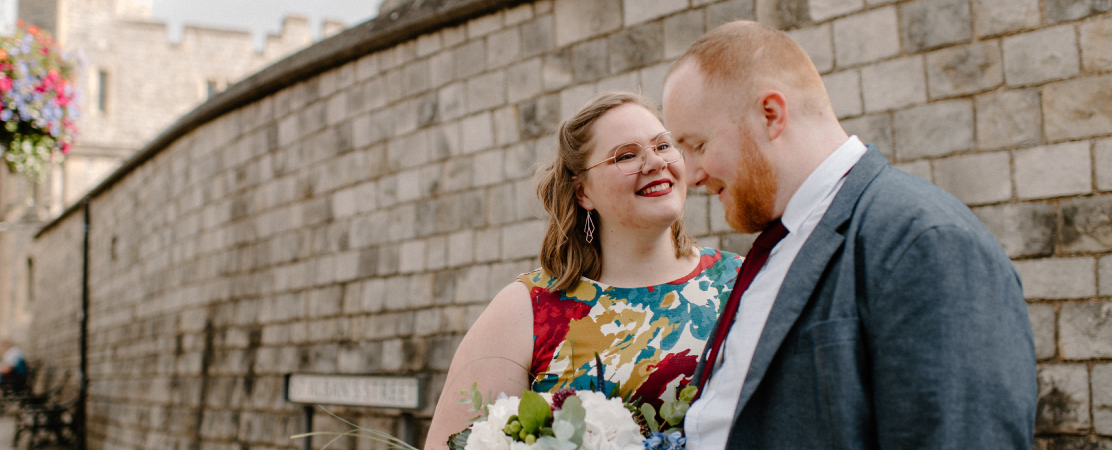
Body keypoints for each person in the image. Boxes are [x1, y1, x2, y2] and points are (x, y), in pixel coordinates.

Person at [661, 21, 1037, 449]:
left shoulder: (926, 241)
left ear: (771, 114)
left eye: (698, 145)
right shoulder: (777, 245)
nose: (690, 175)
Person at [423, 92, 744, 449]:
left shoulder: (744, 282)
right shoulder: (528, 311)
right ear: (582, 193)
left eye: (663, 145)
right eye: (626, 156)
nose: (654, 162)